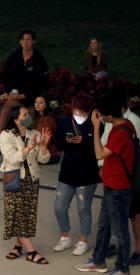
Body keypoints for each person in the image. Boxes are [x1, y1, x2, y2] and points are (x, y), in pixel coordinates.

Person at [76, 94, 136, 275]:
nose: (100, 118)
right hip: (111, 186)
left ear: (109, 116)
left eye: (102, 115)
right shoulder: (123, 125)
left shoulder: (121, 132)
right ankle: (99, 260)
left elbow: (99, 152)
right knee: (104, 226)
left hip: (119, 188)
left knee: (119, 230)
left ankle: (123, 269)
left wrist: (95, 128)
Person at [99, 93, 140, 264]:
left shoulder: (132, 123)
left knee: (134, 212)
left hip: (130, 177)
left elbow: (137, 151)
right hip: (114, 174)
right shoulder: (115, 122)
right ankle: (113, 248)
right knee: (114, 216)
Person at [0, 103, 52, 264]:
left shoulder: (34, 133)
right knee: (17, 214)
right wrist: (29, 148)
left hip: (31, 180)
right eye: (24, 115)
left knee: (27, 215)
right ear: (15, 120)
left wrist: (43, 147)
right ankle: (31, 252)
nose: (28, 118)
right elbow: (12, 158)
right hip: (15, 178)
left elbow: (44, 159)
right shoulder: (6, 135)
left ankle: (18, 246)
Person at [52, 94, 101, 256]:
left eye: (82, 113)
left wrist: (84, 141)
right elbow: (56, 141)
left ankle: (83, 241)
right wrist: (67, 141)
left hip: (87, 175)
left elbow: (99, 146)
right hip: (67, 173)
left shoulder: (95, 125)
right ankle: (65, 237)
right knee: (59, 207)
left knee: (83, 209)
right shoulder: (66, 122)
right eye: (76, 112)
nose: (79, 116)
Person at [0, 29, 48, 158]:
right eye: (24, 40)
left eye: (29, 39)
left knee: (27, 120)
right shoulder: (14, 57)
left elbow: (41, 85)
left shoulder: (39, 60)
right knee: (5, 112)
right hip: (16, 97)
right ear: (20, 42)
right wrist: (11, 92)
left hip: (30, 98)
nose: (26, 43)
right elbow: (6, 76)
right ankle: (0, 145)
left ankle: (23, 147)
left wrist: (25, 96)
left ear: (33, 41)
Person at [30, 95, 59, 162]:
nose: (37, 105)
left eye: (40, 103)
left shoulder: (49, 119)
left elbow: (44, 140)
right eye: (36, 102)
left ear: (46, 105)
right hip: (38, 149)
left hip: (49, 154)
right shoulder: (36, 117)